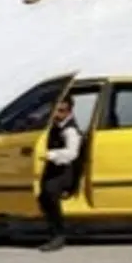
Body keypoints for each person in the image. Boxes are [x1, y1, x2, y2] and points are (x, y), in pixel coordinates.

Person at [38, 96, 82, 252]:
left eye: (61, 111)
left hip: (66, 171)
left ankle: (58, 236)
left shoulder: (70, 130)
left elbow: (72, 153)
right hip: (54, 169)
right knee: (43, 197)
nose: (57, 114)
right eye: (55, 110)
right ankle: (55, 231)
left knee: (49, 194)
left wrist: (50, 155)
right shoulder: (54, 125)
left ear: (69, 111)